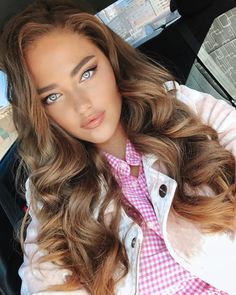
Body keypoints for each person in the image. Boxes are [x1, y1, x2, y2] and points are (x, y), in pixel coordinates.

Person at [0, 1, 236, 294]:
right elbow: (44, 281)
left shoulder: (181, 109)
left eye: (86, 73)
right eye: (53, 97)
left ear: (110, 60)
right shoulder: (50, 195)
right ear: (39, 112)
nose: (82, 104)